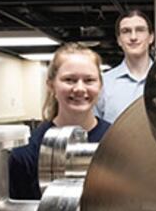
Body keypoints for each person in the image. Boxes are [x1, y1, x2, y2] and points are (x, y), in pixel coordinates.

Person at [9, 43, 110, 199]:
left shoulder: (115, 142)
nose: (80, 88)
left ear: (100, 86)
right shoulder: (27, 151)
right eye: (69, 80)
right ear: (51, 86)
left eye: (89, 80)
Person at [95, 9, 154, 123]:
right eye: (126, 31)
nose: (133, 37)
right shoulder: (102, 83)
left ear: (151, 37)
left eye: (140, 30)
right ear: (119, 40)